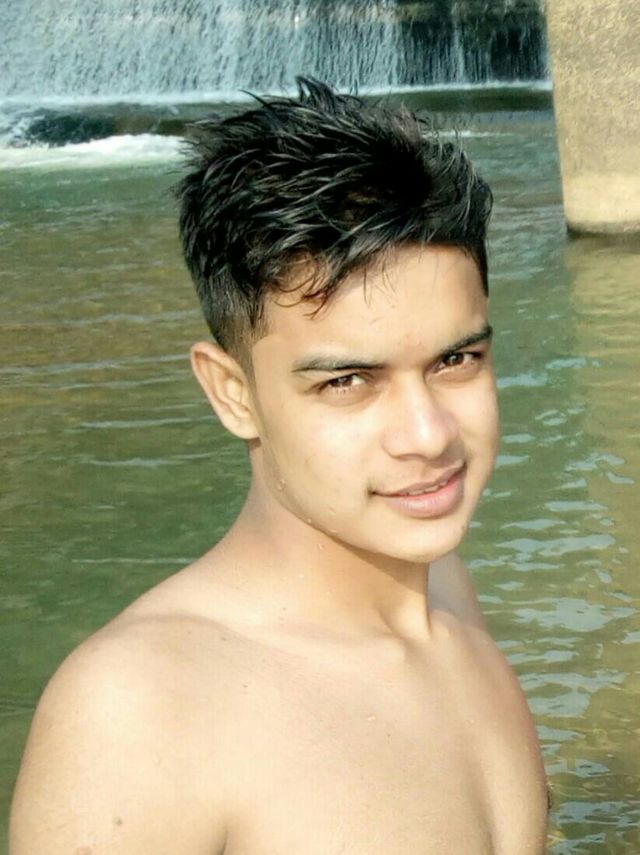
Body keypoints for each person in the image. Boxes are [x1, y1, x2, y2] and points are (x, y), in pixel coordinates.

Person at [10, 78, 548, 854]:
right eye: (347, 381)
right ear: (233, 393)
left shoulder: (446, 591)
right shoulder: (138, 713)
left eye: (455, 359)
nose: (428, 434)